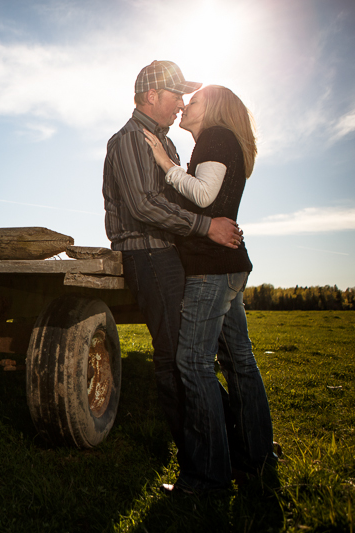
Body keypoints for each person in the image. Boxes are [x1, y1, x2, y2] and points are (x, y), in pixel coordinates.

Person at [102, 61, 243, 473]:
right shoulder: (129, 140)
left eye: (186, 96)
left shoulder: (166, 143)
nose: (181, 103)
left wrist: (208, 223)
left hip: (169, 252)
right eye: (175, 94)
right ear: (151, 97)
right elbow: (144, 205)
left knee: (191, 354)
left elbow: (185, 196)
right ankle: (199, 457)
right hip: (149, 253)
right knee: (174, 356)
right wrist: (206, 227)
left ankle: (219, 447)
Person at [142, 85, 277, 493]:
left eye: (194, 100)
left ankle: (209, 475)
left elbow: (205, 194)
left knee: (193, 363)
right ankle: (256, 457)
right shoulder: (221, 142)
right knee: (240, 361)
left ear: (213, 109)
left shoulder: (216, 138)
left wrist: (165, 163)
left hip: (210, 270)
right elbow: (214, 202)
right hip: (229, 267)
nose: (185, 105)